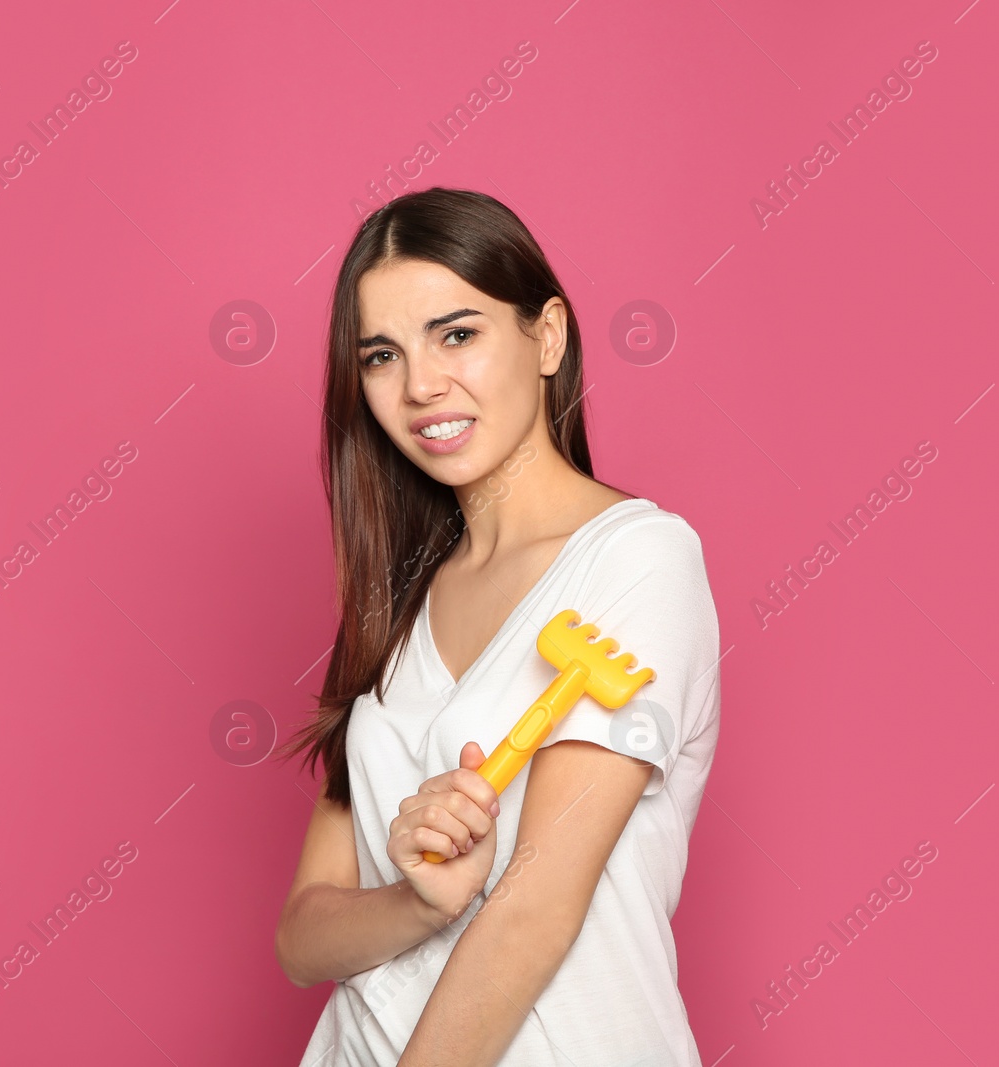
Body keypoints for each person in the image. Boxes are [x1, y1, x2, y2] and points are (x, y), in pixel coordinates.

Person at [275, 187, 722, 1066]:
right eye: (380, 355)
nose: (420, 386)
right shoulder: (394, 603)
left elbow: (534, 908)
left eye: (457, 333)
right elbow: (302, 935)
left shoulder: (639, 561)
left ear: (546, 334)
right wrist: (419, 901)